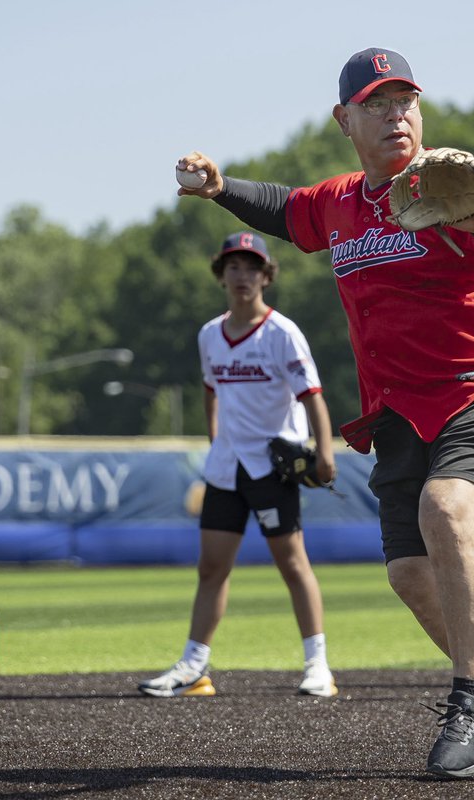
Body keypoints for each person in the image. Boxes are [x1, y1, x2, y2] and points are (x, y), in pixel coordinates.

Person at [174, 48, 474, 778]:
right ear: (345, 119)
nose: (396, 114)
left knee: (445, 509)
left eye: (405, 101)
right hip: (398, 410)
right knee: (409, 573)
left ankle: (469, 704)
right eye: (377, 104)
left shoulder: (453, 182)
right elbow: (285, 208)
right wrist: (220, 187)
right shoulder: (338, 201)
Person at [138, 231, 340, 700]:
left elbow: (312, 396)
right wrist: (214, 443)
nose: (242, 275)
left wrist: (325, 453)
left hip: (271, 464)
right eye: (234, 266)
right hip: (227, 469)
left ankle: (318, 666)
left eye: (252, 267)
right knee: (211, 569)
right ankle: (194, 665)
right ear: (221, 274)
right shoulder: (211, 334)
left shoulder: (281, 333)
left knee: (292, 564)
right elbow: (211, 390)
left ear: (266, 275)